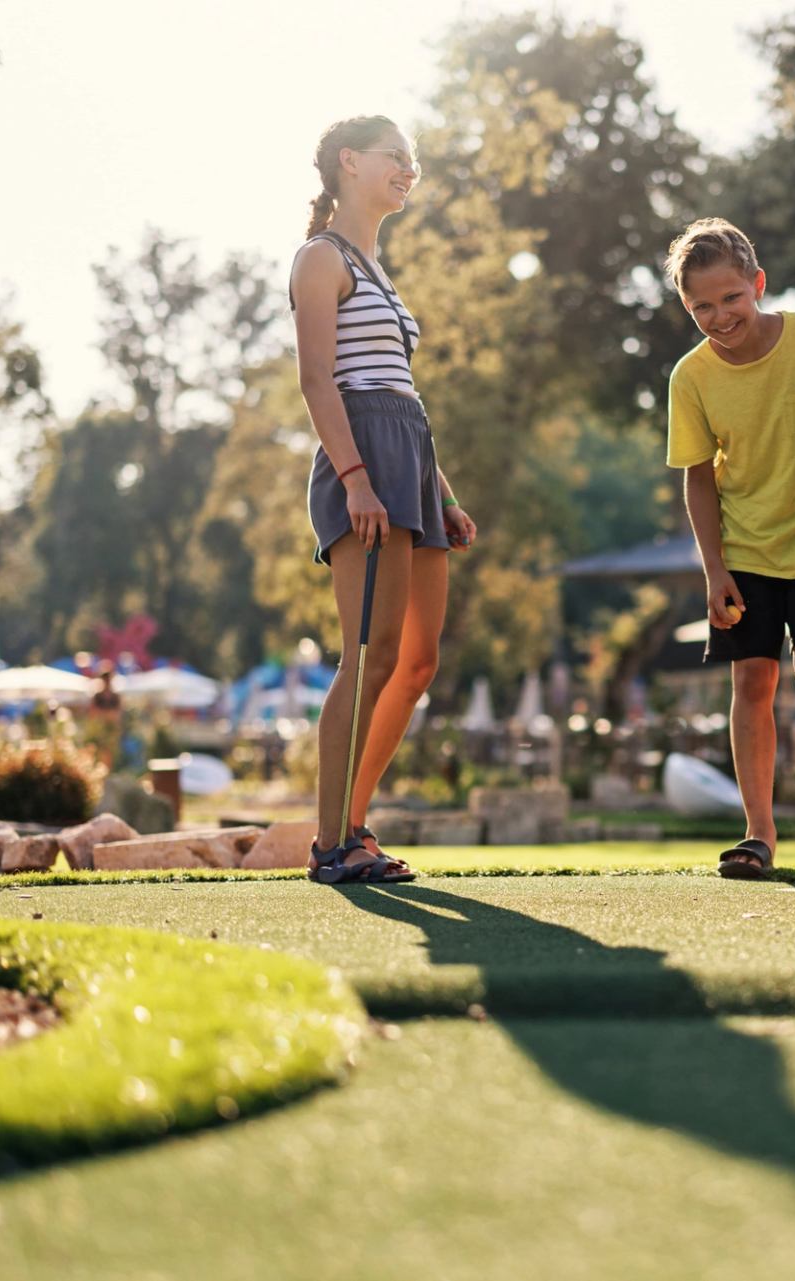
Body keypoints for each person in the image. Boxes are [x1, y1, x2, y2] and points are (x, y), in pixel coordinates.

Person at [291, 114, 477, 884]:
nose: (411, 167)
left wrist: (443, 493)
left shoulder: (375, 266)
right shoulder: (319, 258)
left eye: (414, 158)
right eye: (395, 156)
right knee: (366, 655)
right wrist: (358, 478)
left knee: (412, 657)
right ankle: (332, 844)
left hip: (411, 461)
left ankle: (356, 824)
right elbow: (318, 381)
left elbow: (403, 389)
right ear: (349, 163)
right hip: (362, 460)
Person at [664, 218, 795, 879]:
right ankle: (757, 832)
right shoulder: (690, 377)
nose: (719, 316)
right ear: (686, 308)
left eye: (730, 298)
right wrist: (713, 568)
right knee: (752, 678)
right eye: (701, 307)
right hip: (744, 543)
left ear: (758, 283)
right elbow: (698, 477)